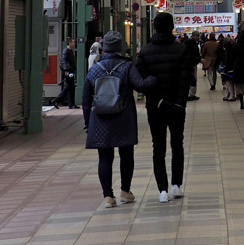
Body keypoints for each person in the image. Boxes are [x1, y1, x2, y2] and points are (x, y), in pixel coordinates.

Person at [82, 30, 158, 208]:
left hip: (100, 118)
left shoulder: (94, 70)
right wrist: (155, 78)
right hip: (123, 116)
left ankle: (108, 196)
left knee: (105, 157)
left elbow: (85, 99)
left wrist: (88, 122)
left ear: (104, 49)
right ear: (119, 47)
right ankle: (125, 191)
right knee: (126, 155)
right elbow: (140, 85)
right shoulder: (127, 66)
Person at [135, 12, 194, 203]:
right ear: (172, 27)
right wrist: (179, 102)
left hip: (156, 106)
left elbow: (142, 81)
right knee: (177, 144)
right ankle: (176, 185)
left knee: (158, 147)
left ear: (154, 27)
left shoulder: (145, 51)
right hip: (177, 107)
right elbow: (185, 79)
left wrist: (158, 99)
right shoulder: (181, 50)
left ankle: (162, 190)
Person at [54, 37, 78, 108]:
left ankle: (71, 103)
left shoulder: (70, 51)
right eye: (73, 42)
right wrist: (67, 70)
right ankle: (57, 100)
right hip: (68, 72)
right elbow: (63, 61)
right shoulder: (66, 51)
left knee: (70, 87)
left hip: (70, 71)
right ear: (69, 43)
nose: (74, 43)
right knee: (68, 87)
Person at [185, 31, 201, 101]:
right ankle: (191, 94)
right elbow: (193, 54)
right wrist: (198, 59)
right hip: (191, 64)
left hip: (189, 63)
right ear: (194, 36)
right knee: (193, 78)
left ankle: (191, 94)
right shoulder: (192, 43)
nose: (198, 37)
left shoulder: (188, 43)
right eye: (197, 36)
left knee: (192, 78)